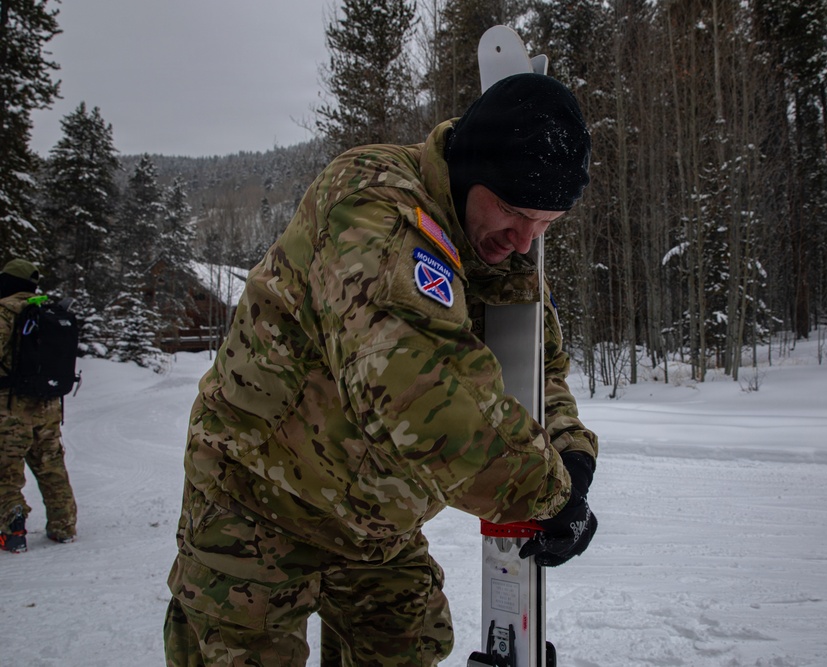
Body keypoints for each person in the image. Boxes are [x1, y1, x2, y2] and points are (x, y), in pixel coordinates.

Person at [163, 72, 599, 667]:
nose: (524, 241)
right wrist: (549, 492)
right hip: (255, 506)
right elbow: (414, 393)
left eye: (546, 224)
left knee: (408, 649)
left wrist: (571, 456)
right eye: (516, 213)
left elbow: (533, 367)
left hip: (376, 530)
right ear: (474, 171)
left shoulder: (497, 246)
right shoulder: (373, 206)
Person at [0, 259, 78, 553]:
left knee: (5, 472)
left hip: (10, 408)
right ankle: (64, 526)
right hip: (47, 406)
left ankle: (12, 530)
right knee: (51, 466)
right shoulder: (46, 311)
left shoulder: (5, 312)